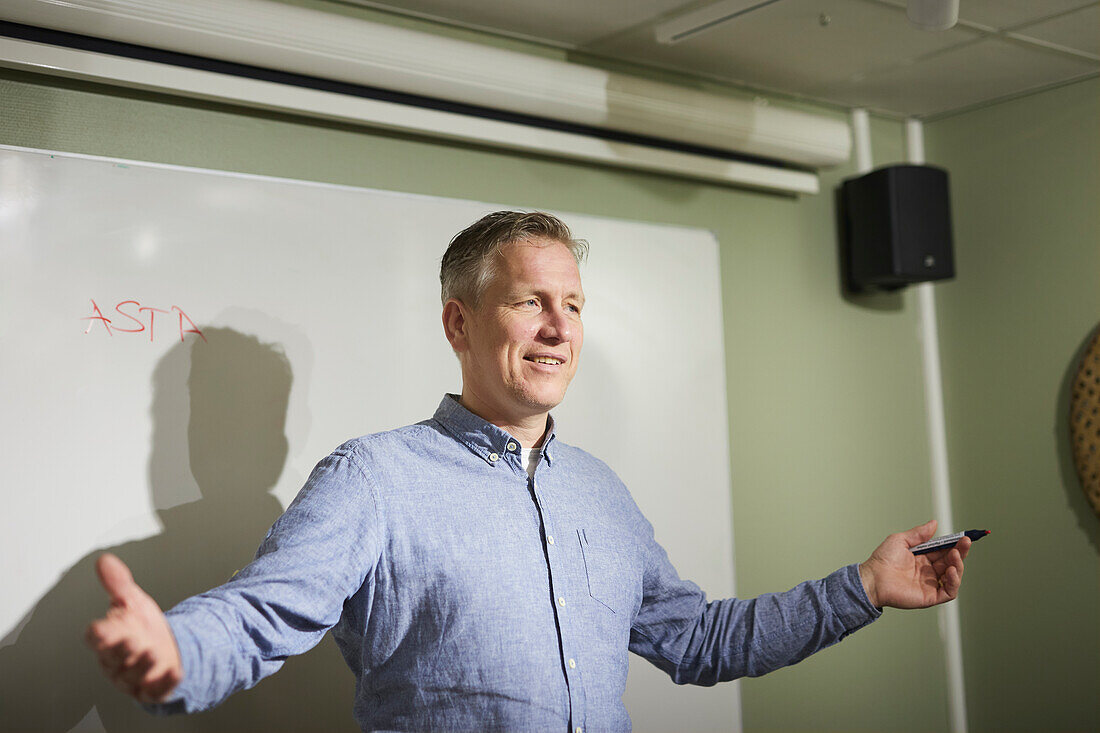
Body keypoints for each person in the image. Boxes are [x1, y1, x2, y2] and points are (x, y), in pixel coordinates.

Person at [86, 211, 972, 732]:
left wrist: (863, 586)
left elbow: (699, 640)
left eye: (573, 304)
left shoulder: (600, 492)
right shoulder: (374, 477)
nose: (559, 326)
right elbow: (261, 612)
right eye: (529, 302)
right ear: (459, 324)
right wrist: (177, 652)